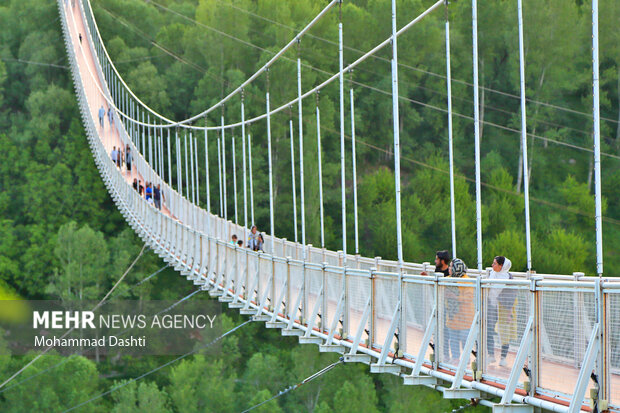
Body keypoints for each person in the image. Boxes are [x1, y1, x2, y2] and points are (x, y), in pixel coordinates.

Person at [445, 258, 474, 365]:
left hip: (465, 317)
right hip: (452, 317)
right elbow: (438, 287)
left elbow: (469, 298)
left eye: (451, 266)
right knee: (453, 339)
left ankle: (466, 358)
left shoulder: (467, 280)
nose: (449, 268)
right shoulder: (447, 279)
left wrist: (455, 297)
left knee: (465, 340)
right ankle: (455, 358)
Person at [491, 256, 517, 367]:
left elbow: (512, 297)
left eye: (495, 263)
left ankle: (503, 357)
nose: (492, 265)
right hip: (491, 307)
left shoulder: (508, 279)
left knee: (505, 332)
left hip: (504, 309)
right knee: (488, 330)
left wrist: (509, 313)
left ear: (501, 266)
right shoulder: (492, 275)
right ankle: (490, 355)